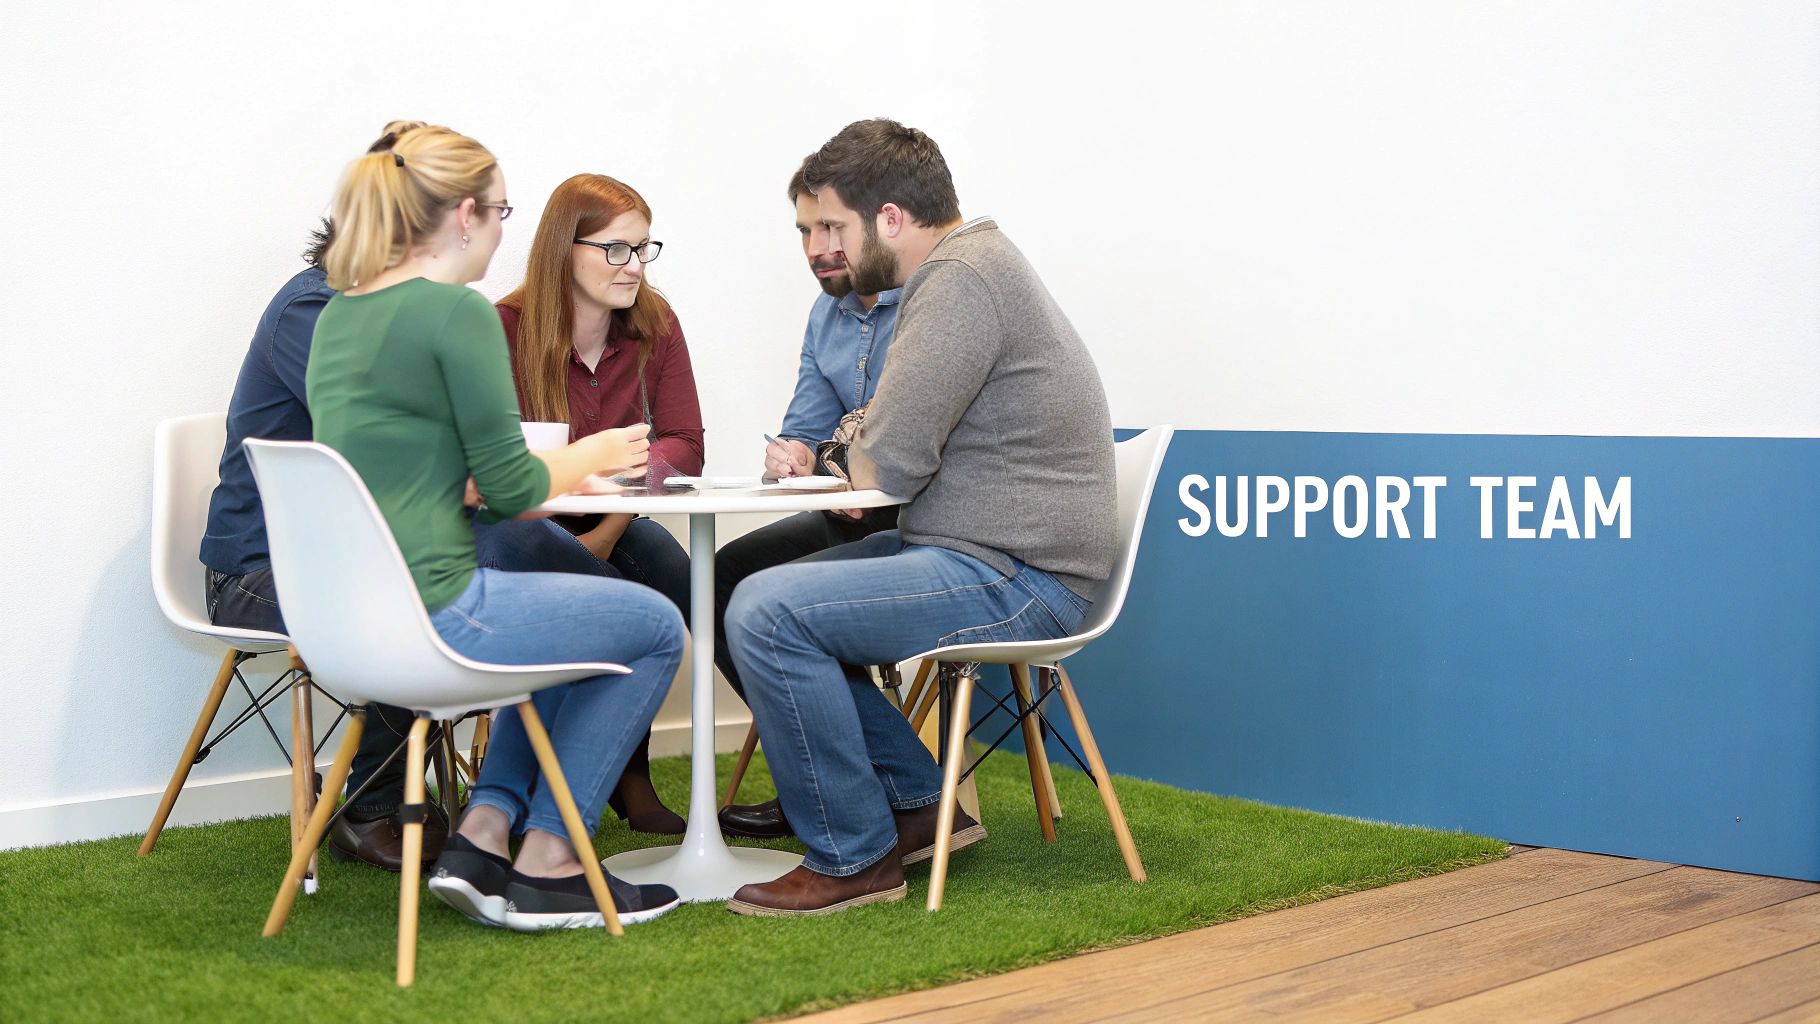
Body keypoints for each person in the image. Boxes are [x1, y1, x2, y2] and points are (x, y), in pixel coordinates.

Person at [723, 119, 1117, 916]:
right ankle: (916, 803)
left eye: (835, 226)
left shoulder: (960, 280)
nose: (824, 246)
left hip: (1019, 572)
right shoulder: (970, 266)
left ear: (892, 218)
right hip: (977, 547)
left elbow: (889, 462)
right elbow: (882, 453)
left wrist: (851, 450)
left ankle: (854, 856)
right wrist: (855, 449)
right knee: (749, 590)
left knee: (767, 611)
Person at [304, 123, 685, 930]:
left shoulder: (341, 314)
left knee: (570, 606)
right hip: (441, 608)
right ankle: (549, 860)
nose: (505, 232)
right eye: (503, 212)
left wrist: (532, 473)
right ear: (466, 215)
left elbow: (426, 470)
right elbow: (510, 489)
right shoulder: (457, 314)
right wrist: (597, 452)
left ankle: (482, 837)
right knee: (653, 624)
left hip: (356, 618)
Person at [199, 120, 447, 873]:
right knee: (411, 603)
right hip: (258, 573)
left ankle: (504, 804)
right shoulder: (315, 310)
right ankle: (371, 807)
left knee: (503, 569)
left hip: (350, 559)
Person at [476, 172, 702, 835]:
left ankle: (801, 766)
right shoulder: (503, 329)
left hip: (616, 515)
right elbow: (495, 471)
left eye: (643, 248)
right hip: (518, 523)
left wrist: (615, 510)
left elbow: (684, 444)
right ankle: (595, 778)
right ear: (563, 249)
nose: (634, 266)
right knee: (614, 599)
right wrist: (599, 473)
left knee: (683, 580)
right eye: (615, 249)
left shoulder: (656, 326)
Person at [714, 155, 904, 842]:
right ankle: (835, 775)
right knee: (723, 579)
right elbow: (809, 430)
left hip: (923, 524)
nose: (817, 248)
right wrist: (791, 455)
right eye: (804, 231)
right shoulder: (826, 315)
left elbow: (900, 441)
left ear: (879, 223)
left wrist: (838, 460)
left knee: (783, 599)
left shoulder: (932, 305)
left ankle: (875, 786)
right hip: (849, 519)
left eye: (830, 228)